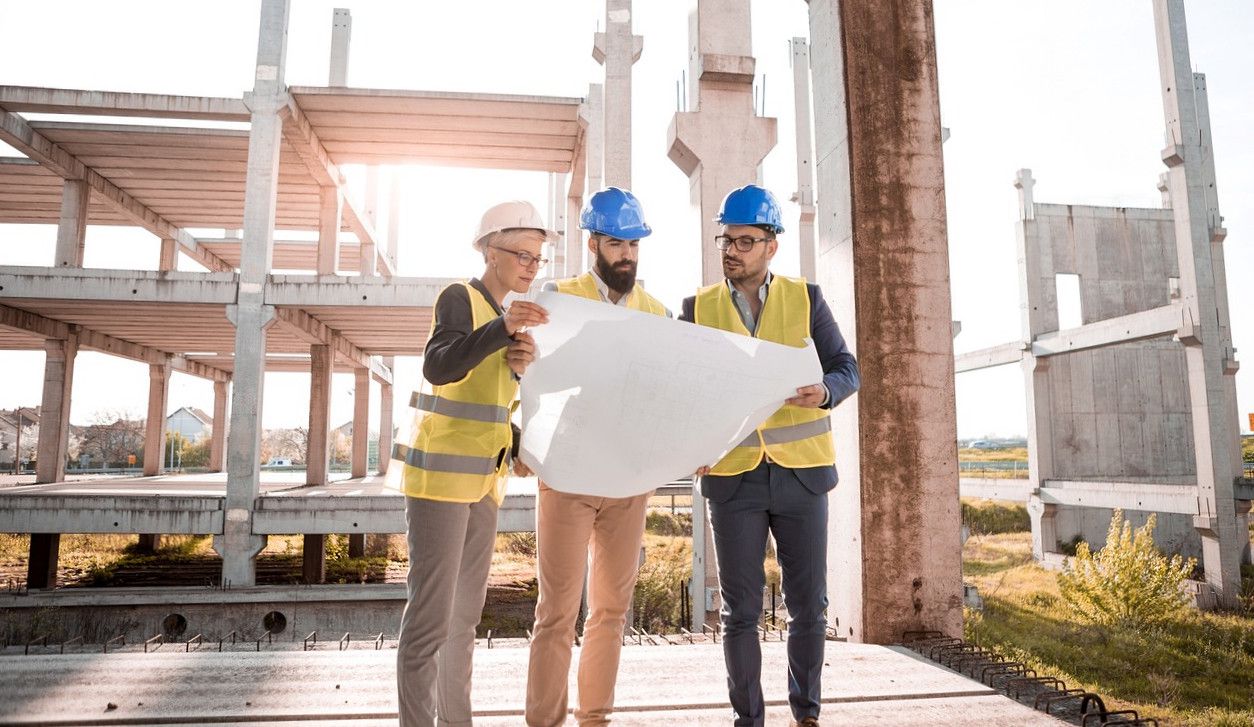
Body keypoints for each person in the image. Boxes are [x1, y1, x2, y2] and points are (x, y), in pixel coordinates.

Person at [680, 184, 860, 727]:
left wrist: (824, 391)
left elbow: (846, 368)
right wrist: (690, 445)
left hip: (802, 477)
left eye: (745, 240)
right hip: (733, 480)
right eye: (726, 240)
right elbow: (681, 390)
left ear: (771, 246)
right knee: (740, 613)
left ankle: (806, 713)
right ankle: (749, 720)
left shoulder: (806, 299)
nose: (731, 250)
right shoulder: (697, 308)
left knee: (809, 608)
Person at [395, 200, 556, 727]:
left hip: (484, 485)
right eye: (521, 253)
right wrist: (500, 333)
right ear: (490, 250)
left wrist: (514, 370)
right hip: (440, 484)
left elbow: (488, 410)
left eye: (538, 257)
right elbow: (439, 366)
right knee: (429, 622)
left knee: (463, 621)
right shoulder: (460, 297)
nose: (531, 264)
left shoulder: (505, 319)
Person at [525, 187, 669, 727]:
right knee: (556, 613)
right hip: (567, 476)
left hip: (628, 481)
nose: (627, 254)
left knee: (610, 613)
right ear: (593, 244)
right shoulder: (558, 298)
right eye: (616, 242)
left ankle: (595, 719)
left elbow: (668, 392)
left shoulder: (656, 312)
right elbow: (531, 377)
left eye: (634, 244)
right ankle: (544, 722)